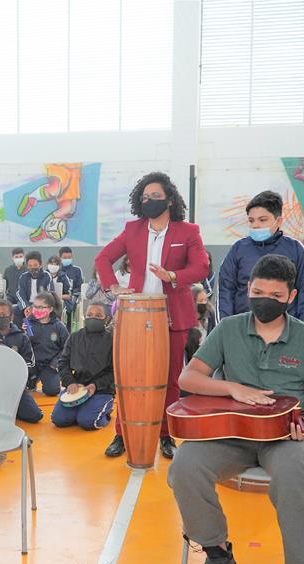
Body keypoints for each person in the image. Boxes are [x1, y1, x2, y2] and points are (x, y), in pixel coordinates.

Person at [168, 254, 304, 564]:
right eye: (257, 292)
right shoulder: (227, 329)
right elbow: (188, 378)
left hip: (289, 434)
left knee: (294, 474)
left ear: (291, 296)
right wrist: (232, 388)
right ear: (248, 291)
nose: (264, 300)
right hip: (235, 432)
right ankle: (218, 557)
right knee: (185, 465)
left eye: (274, 295)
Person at [95, 171, 209, 459]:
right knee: (129, 378)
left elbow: (200, 268)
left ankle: (165, 435)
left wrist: (172, 275)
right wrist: (112, 286)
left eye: (155, 196)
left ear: (169, 199)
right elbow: (103, 258)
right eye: (145, 197)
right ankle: (122, 433)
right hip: (134, 315)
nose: (149, 201)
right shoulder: (132, 229)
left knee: (170, 378)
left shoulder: (188, 231)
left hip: (173, 316)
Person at [216, 191, 304, 327]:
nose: (255, 225)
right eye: (251, 220)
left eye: (262, 220)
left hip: (287, 334)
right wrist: (225, 331)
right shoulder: (238, 249)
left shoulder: (296, 249)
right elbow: (225, 292)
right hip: (243, 331)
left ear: (278, 221)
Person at [52, 303, 115, 435]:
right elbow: (63, 363)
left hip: (101, 390)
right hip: (78, 387)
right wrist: (70, 382)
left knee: (88, 422)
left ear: (107, 319)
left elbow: (115, 371)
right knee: (59, 419)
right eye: (89, 315)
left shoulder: (112, 340)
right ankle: (83, 410)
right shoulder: (74, 337)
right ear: (85, 317)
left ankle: (105, 410)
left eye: (98, 316)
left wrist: (95, 386)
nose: (93, 318)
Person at [0, 299, 44, 424]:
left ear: (11, 316)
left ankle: (11, 406)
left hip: (15, 387)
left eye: (3, 315)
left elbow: (31, 364)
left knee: (35, 416)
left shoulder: (22, 337)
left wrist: (10, 355)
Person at [25, 292, 69, 396]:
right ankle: (33, 379)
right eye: (35, 306)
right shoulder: (28, 322)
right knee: (25, 388)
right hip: (32, 364)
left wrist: (55, 363)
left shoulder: (59, 326)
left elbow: (67, 347)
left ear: (50, 309)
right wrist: (24, 333)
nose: (37, 309)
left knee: (52, 390)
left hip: (49, 365)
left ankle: (49, 378)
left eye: (41, 307)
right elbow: (26, 344)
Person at [15, 251, 51, 324]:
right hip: (27, 304)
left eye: (35, 265)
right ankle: (20, 333)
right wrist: (26, 307)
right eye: (30, 265)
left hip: (42, 305)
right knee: (15, 310)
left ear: (40, 265)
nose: (32, 268)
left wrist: (34, 307)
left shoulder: (46, 276)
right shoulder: (23, 277)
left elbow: (48, 295)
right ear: (27, 266)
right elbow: (20, 294)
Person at [58, 246, 84, 327]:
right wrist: (61, 296)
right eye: (64, 257)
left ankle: (68, 330)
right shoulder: (56, 270)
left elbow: (80, 287)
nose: (67, 259)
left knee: (69, 306)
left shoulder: (77, 270)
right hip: (58, 297)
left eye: (69, 257)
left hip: (71, 297)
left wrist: (71, 295)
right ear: (60, 258)